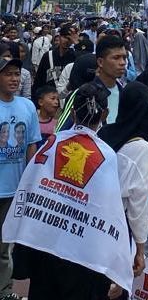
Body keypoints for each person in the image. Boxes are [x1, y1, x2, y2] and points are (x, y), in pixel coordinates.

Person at [5, 82, 133, 300]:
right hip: (83, 257)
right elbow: (108, 211)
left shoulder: (51, 144)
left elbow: (31, 190)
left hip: (45, 251)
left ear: (72, 111)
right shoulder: (107, 156)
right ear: (106, 114)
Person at [100, 81, 148, 280]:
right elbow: (138, 204)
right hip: (119, 226)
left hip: (95, 219)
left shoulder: (105, 133)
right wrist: (140, 249)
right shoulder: (142, 148)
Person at [0, 54, 41, 300]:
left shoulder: (27, 107)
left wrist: (30, 182)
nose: (14, 79)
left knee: (5, 248)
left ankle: (4, 291)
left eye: (17, 74)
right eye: (8, 74)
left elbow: (31, 147)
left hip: (14, 190)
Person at [32, 23, 77, 94]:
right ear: (59, 37)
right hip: (49, 97)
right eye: (64, 37)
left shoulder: (75, 57)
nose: (66, 41)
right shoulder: (48, 56)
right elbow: (39, 80)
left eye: (69, 38)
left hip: (66, 98)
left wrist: (76, 43)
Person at [95, 34, 127, 123]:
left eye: (124, 58)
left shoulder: (126, 93)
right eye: (116, 58)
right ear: (100, 62)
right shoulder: (85, 95)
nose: (122, 63)